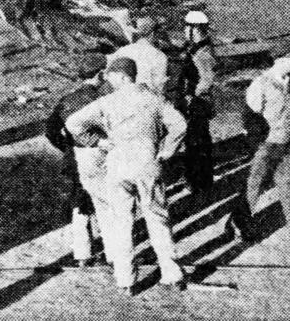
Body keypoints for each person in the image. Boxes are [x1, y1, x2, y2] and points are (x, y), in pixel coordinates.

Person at [66, 57, 187, 294]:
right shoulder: (154, 100)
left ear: (122, 76)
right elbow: (180, 125)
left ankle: (126, 280)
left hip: (118, 165)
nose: (108, 80)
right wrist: (166, 151)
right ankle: (172, 274)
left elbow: (73, 123)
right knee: (158, 218)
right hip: (148, 164)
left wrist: (98, 142)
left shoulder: (106, 102)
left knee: (121, 223)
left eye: (111, 76)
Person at [230, 47, 290, 243]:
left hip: (285, 143)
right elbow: (250, 117)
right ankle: (237, 225)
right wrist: (258, 143)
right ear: (280, 59)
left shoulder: (288, 83)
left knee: (289, 185)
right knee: (254, 187)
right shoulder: (261, 83)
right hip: (266, 145)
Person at [45, 54, 110, 267]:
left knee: (80, 204)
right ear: (100, 74)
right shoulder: (104, 98)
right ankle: (112, 252)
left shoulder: (67, 99)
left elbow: (51, 130)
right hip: (101, 155)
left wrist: (67, 147)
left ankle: (82, 254)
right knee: (105, 203)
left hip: (74, 156)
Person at [176, 10, 217, 194]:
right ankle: (197, 178)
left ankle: (200, 181)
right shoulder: (195, 47)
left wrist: (192, 97)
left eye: (187, 26)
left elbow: (207, 80)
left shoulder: (203, 53)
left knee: (197, 143)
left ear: (195, 29)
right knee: (195, 142)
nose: (184, 30)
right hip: (193, 102)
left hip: (197, 104)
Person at [109, 16, 169, 97]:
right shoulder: (159, 56)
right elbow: (159, 89)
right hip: (145, 103)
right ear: (153, 34)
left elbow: (110, 79)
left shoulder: (121, 51)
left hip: (120, 101)